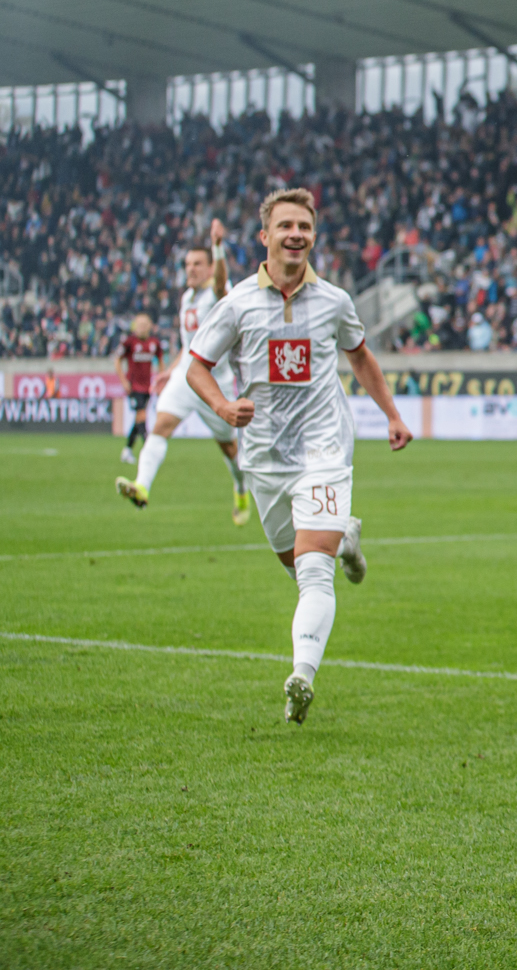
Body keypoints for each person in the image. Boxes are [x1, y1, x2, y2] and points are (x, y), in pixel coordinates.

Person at [184, 188, 413, 725]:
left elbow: (360, 356)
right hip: (264, 456)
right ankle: (346, 537)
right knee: (298, 566)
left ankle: (301, 677)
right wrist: (222, 405)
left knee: (314, 573)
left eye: (304, 227)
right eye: (286, 226)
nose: (296, 235)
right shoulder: (236, 303)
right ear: (265, 236)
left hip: (323, 447)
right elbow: (196, 367)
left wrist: (392, 415)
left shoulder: (334, 300)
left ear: (313, 236)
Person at [116, 218, 251, 522]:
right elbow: (189, 344)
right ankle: (141, 486)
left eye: (197, 264)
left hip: (215, 384)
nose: (191, 269)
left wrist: (218, 247)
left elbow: (220, 283)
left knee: (229, 448)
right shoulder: (187, 298)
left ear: (210, 267)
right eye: (188, 264)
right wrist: (172, 369)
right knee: (161, 425)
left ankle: (241, 489)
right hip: (186, 377)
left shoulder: (218, 292)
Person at [116, 313, 165, 464]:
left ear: (150, 326)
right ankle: (148, 451)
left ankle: (127, 450)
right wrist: (124, 381)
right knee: (142, 416)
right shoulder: (129, 342)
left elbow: (161, 361)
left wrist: (161, 379)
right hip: (134, 387)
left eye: (145, 325)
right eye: (139, 325)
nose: (142, 328)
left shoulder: (154, 343)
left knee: (139, 418)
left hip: (147, 387)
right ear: (135, 327)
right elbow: (117, 361)